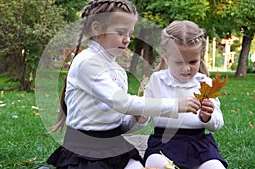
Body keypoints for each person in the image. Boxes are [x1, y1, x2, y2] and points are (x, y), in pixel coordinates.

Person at [45, 1, 202, 169]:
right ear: (97, 29)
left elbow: (119, 123)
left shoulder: (118, 71)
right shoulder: (86, 63)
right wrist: (175, 105)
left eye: (130, 33)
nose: (127, 40)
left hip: (114, 145)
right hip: (85, 148)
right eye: (121, 32)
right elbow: (122, 102)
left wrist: (136, 119)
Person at [143, 20, 228, 169]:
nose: (186, 68)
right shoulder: (157, 80)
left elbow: (217, 124)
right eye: (179, 62)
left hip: (199, 144)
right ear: (165, 56)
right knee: (156, 163)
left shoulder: (206, 84)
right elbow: (145, 115)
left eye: (193, 62)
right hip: (164, 143)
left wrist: (207, 117)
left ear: (201, 57)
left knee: (215, 166)